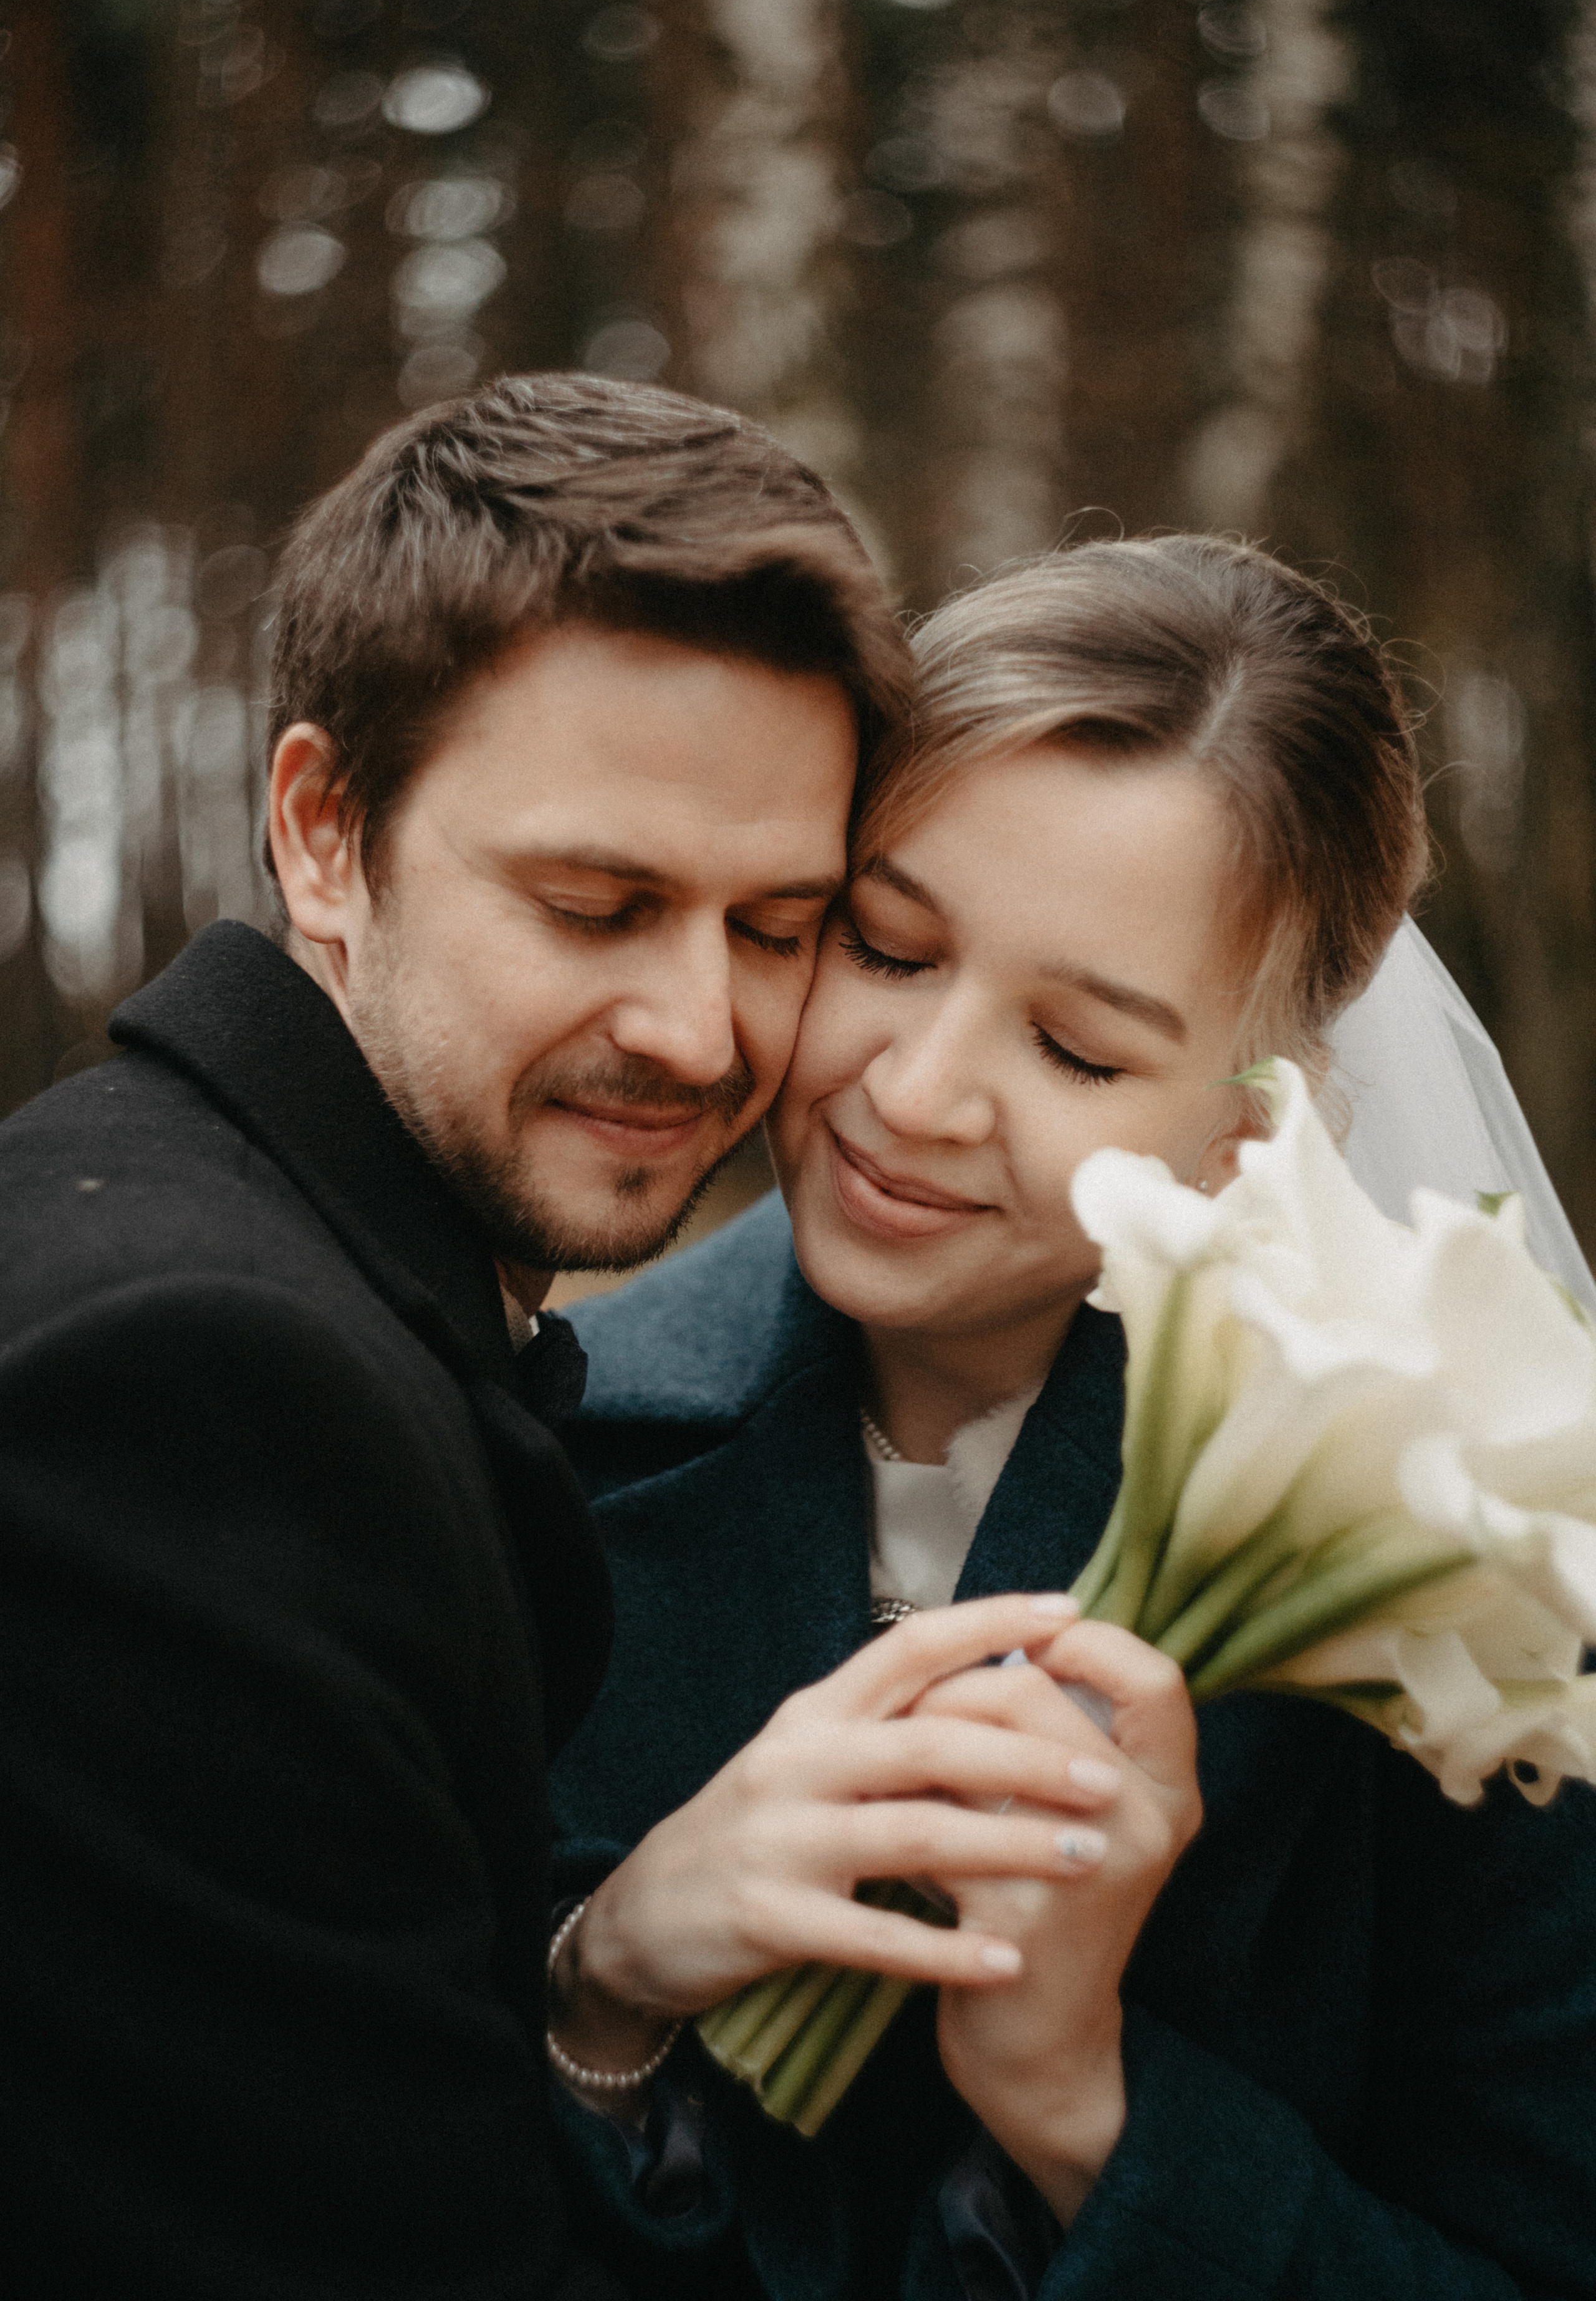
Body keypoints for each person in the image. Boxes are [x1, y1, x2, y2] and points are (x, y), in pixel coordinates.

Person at [545, 536, 1596, 2300]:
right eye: (886, 947)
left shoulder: (1452, 1560)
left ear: (1251, 1139)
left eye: (1079, 1050)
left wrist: (1080, 2104)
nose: (916, 1092)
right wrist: (605, 1980)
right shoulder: (547, 1440)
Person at [0, 371, 943, 2300]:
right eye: (598, 904)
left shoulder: (250, 1249)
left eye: (777, 927)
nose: (700, 1030)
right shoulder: (196, 1390)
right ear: (322, 833)